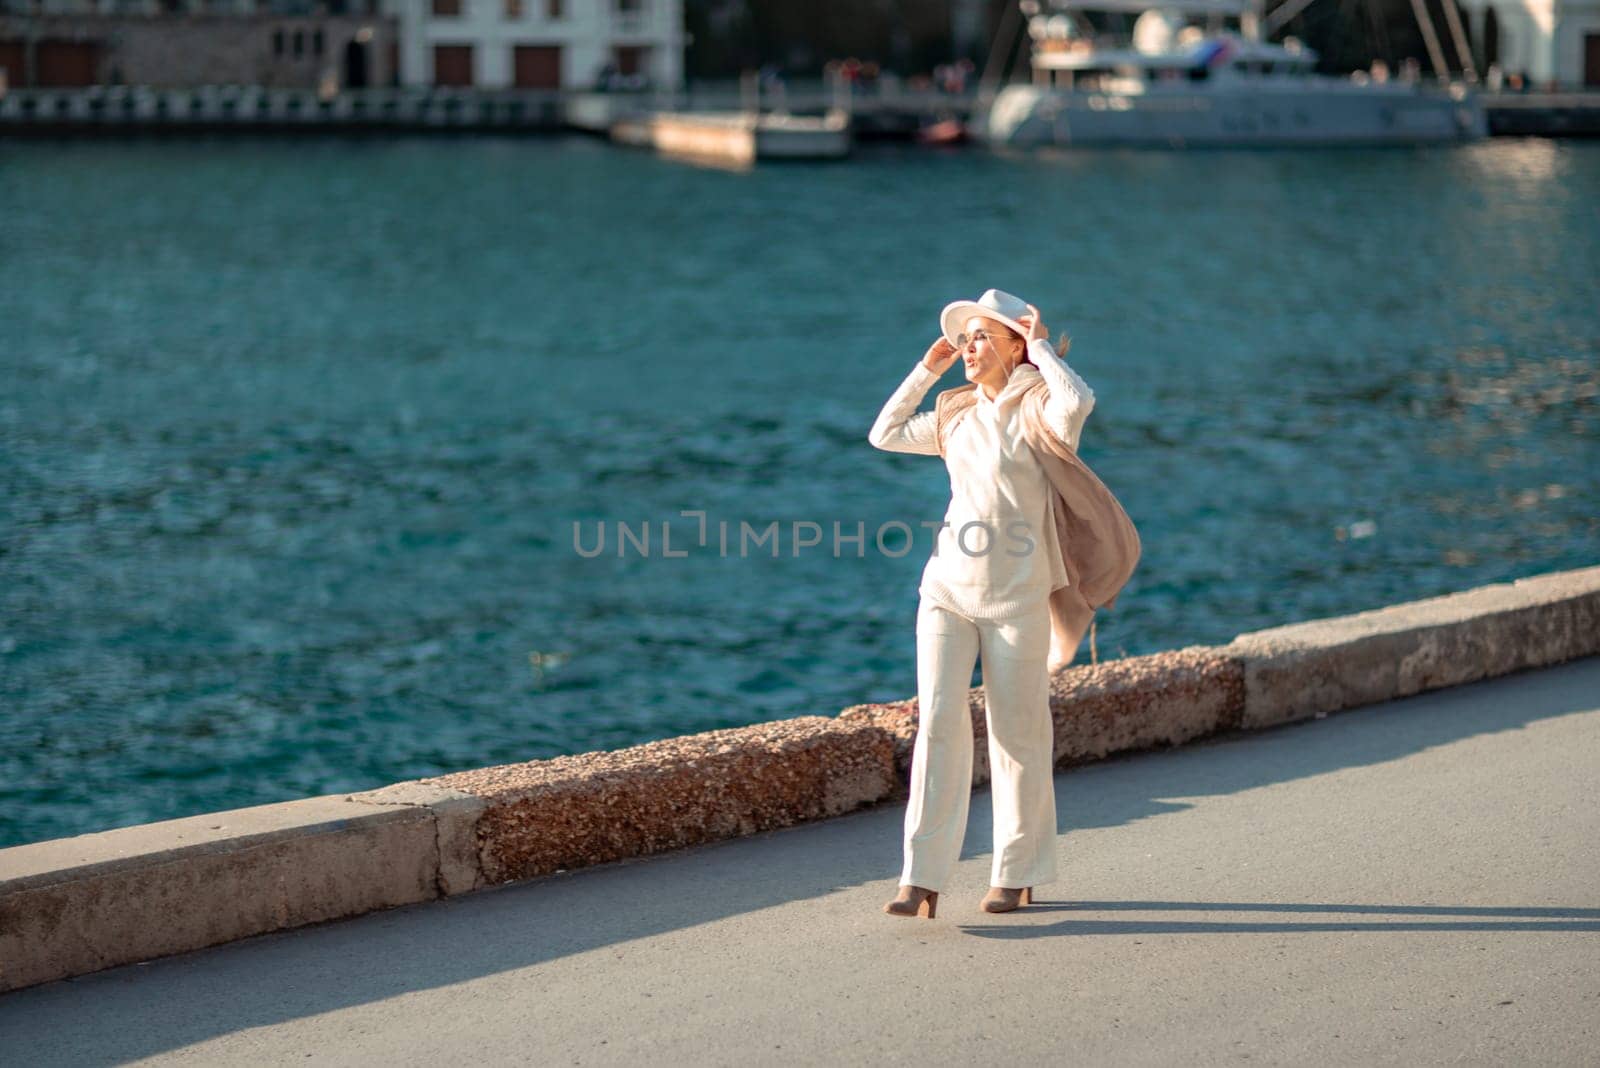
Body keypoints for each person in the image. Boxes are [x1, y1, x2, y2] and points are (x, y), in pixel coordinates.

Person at [867, 288, 1140, 920]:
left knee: (1017, 734)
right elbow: (882, 434)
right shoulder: (954, 413)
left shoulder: (1042, 408)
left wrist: (1041, 345)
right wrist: (926, 369)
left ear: (1015, 345)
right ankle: (922, 878)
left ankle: (1017, 873)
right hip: (946, 590)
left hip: (1017, 597)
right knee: (936, 723)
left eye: (981, 336)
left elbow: (1081, 399)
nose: (969, 346)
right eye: (964, 339)